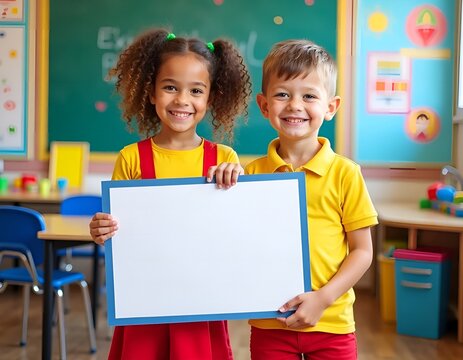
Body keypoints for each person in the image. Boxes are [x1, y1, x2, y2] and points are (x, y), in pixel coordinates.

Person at [89, 28, 251, 360]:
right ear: (151, 93)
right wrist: (102, 230)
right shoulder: (131, 158)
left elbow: (239, 233)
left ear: (210, 98)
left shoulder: (225, 160)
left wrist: (239, 184)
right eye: (170, 87)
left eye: (196, 90)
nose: (181, 100)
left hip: (202, 305)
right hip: (144, 304)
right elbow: (118, 236)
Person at [244, 39, 378, 359]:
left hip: (332, 323)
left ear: (330, 107)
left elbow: (362, 251)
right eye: (282, 94)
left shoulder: (346, 173)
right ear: (264, 106)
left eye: (309, 96)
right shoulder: (250, 174)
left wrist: (323, 298)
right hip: (270, 323)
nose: (294, 105)